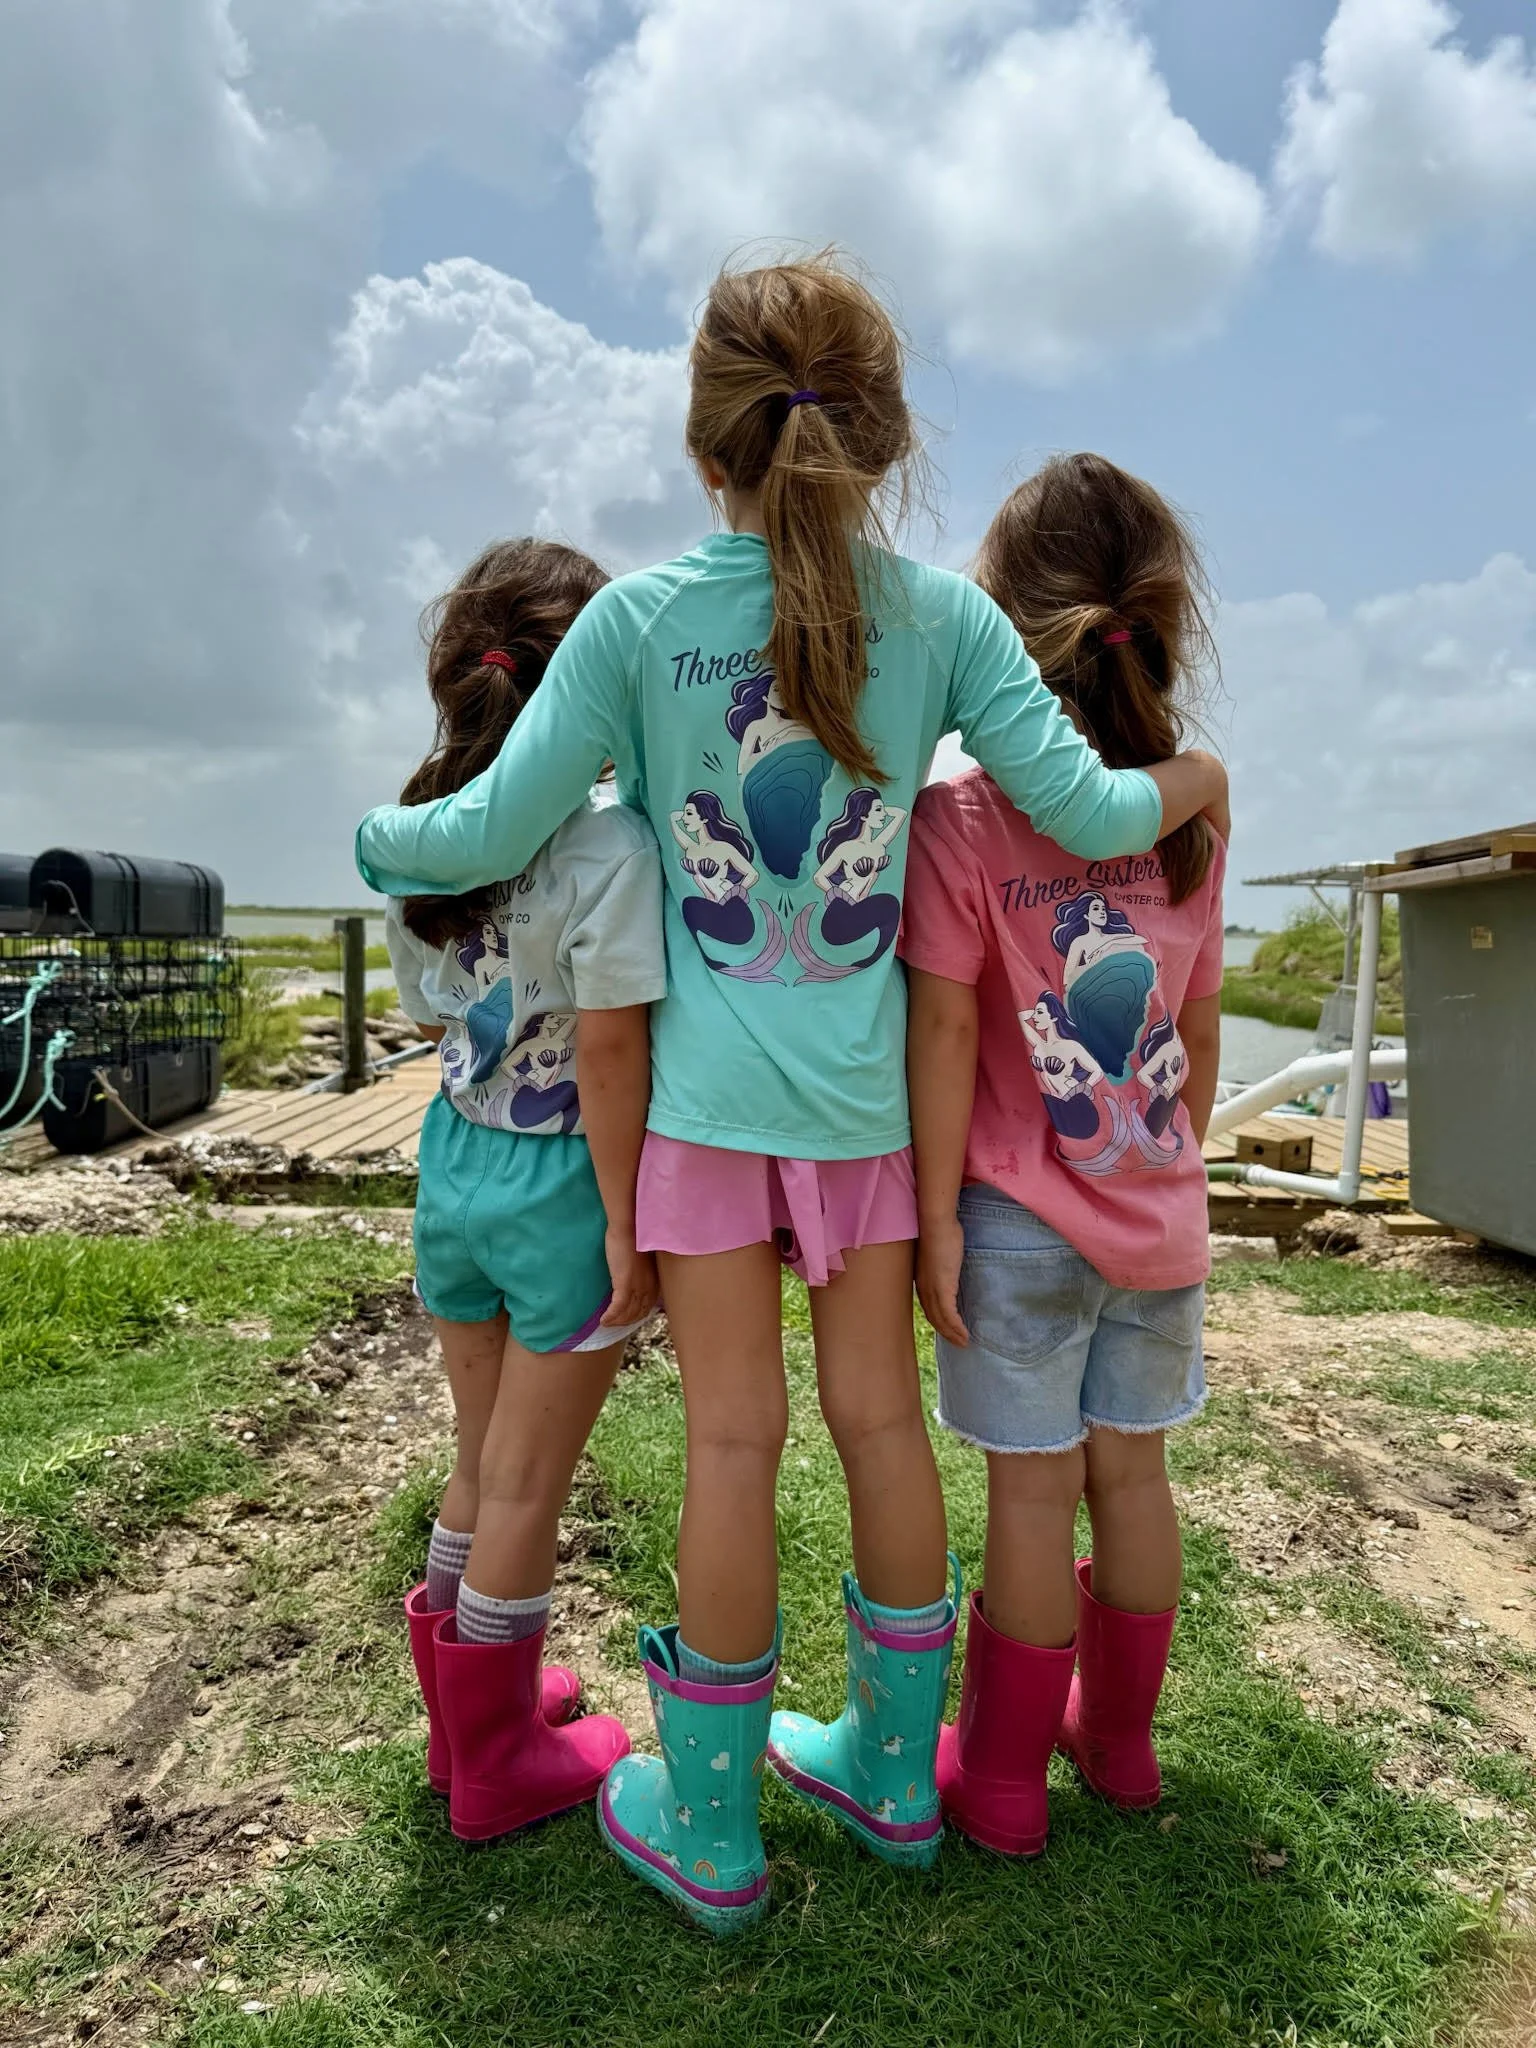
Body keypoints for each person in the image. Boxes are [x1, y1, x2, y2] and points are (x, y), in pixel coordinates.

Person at [357, 256, 1229, 1934]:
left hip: (697, 1120)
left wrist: (376, 839)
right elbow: (1096, 810)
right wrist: (1202, 776)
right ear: (888, 439)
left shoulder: (635, 624)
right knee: (880, 1427)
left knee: (732, 1449)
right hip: (867, 1128)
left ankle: (714, 1826)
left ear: (707, 448)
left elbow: (479, 837)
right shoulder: (953, 623)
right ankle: (900, 1784)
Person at [900, 452, 1226, 1858]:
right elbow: (1198, 1035)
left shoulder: (960, 818)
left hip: (1013, 1230)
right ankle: (1127, 1746)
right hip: (1155, 1223)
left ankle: (1011, 1783)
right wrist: (1166, 1171)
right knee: (1133, 1479)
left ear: (997, 618)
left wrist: (932, 1222)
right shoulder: (1193, 813)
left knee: (1030, 1496)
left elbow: (944, 1041)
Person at [383, 538, 667, 1845]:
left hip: (455, 1164)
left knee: (480, 1460)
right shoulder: (608, 843)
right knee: (528, 1490)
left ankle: (462, 1724)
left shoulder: (418, 834)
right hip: (563, 1188)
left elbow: (426, 1009)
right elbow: (611, 1050)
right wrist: (626, 1218)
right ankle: (498, 1759)